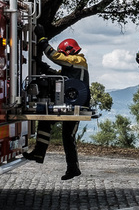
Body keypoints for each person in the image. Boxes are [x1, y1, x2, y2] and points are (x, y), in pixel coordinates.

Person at [23, 38, 90, 180]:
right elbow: (60, 74)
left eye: (63, 53)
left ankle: (73, 168)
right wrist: (44, 67)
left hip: (77, 106)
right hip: (70, 105)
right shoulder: (73, 64)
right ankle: (39, 153)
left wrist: (42, 41)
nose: (63, 55)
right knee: (45, 121)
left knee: (68, 136)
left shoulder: (78, 60)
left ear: (69, 50)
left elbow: (55, 56)